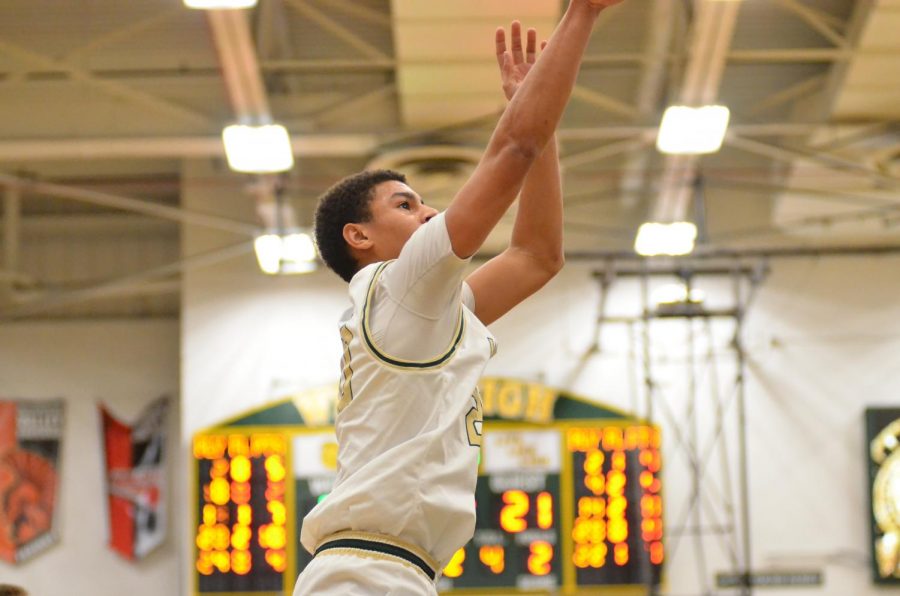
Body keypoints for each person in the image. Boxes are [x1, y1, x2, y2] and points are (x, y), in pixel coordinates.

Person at [294, 1, 625, 594]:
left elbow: (537, 255)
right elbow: (511, 149)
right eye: (406, 204)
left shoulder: (420, 311)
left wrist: (542, 122)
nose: (429, 212)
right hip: (365, 575)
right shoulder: (399, 285)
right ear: (359, 236)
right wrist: (581, 17)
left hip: (390, 572)